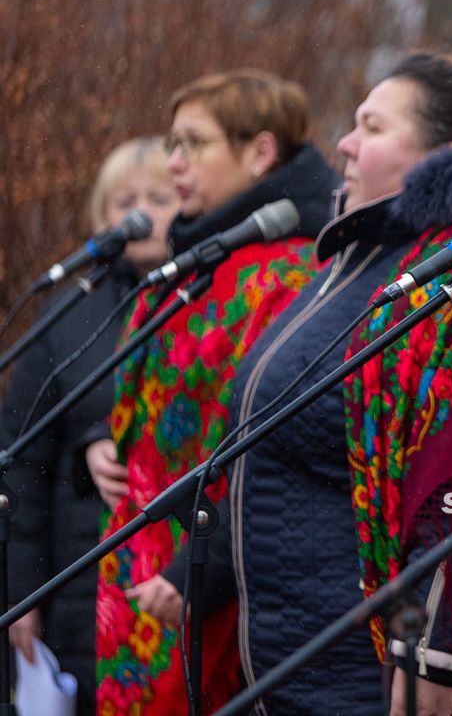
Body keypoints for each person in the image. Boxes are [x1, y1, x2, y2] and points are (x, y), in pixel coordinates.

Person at [174, 53, 452, 716]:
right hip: (279, 665)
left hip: (373, 681)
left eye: (373, 127)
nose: (346, 145)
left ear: (448, 153)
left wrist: (431, 661)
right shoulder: (369, 258)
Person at [90, 70, 336, 714]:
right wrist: (101, 443)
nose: (174, 163)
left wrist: (204, 566)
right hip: (134, 564)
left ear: (259, 152)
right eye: (172, 143)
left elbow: (271, 446)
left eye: (193, 144)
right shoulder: (200, 258)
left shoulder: (290, 273)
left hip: (205, 577)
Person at [2, 137, 179, 715]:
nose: (142, 213)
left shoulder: (215, 297)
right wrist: (23, 594)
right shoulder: (68, 312)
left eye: (159, 196)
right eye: (125, 200)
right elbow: (22, 460)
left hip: (178, 575)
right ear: (104, 216)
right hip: (79, 586)